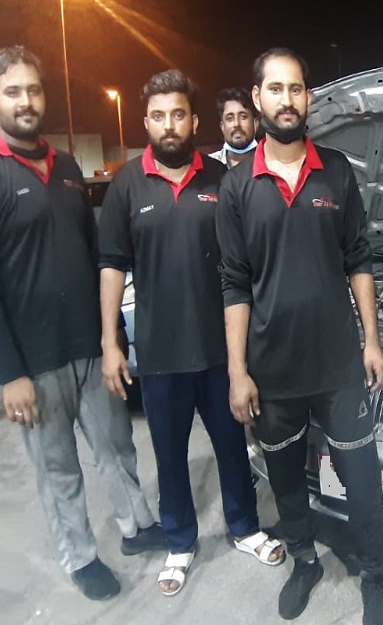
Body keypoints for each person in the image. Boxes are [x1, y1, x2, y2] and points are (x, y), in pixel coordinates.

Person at [0, 45, 163, 601]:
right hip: (34, 362)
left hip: (89, 348)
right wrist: (9, 374)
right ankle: (80, 555)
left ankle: (136, 527)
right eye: (12, 92)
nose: (26, 101)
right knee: (59, 467)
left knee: (116, 446)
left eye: (33, 90)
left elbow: (95, 257)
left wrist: (112, 338)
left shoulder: (66, 168)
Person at [216, 47, 383, 625]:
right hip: (273, 369)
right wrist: (238, 372)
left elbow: (358, 258)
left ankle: (374, 574)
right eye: (276, 88)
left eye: (296, 89)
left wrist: (372, 340)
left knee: (361, 475)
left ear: (308, 97)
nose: (287, 100)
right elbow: (234, 284)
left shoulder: (336, 171)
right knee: (288, 479)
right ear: (257, 97)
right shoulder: (238, 186)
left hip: (338, 363)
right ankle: (305, 561)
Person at [97, 69, 284, 598]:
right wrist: (111, 342)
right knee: (170, 455)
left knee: (232, 446)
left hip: (221, 350)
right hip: (160, 354)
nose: (169, 125)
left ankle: (245, 528)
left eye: (178, 114)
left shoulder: (221, 180)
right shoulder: (127, 185)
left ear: (194, 121)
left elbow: (247, 263)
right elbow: (111, 265)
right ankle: (180, 541)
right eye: (159, 116)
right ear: (146, 122)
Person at [208, 87, 260, 169]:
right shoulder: (208, 166)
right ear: (222, 127)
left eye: (243, 117)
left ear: (255, 124)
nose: (236, 124)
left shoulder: (270, 163)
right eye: (230, 119)